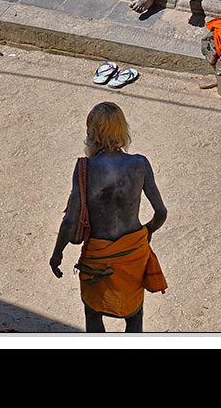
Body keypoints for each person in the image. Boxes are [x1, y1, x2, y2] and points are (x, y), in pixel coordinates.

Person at [49, 102, 168, 333]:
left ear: (93, 132)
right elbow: (161, 213)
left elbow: (71, 220)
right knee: (134, 314)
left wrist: (57, 254)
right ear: (122, 130)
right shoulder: (140, 164)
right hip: (133, 253)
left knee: (93, 313)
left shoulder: (85, 168)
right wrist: (147, 232)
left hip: (98, 256)